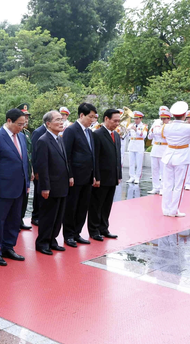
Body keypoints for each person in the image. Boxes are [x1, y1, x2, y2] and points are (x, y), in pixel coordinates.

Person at [0, 108, 30, 266]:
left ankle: (8, 247)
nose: (21, 127)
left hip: (19, 187)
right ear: (9, 121)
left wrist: (27, 184)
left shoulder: (22, 137)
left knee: (14, 220)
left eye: (23, 124)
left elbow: (24, 161)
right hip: (2, 188)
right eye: (19, 124)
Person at [34, 111, 72, 255]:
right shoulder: (43, 140)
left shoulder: (59, 139)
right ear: (48, 124)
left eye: (62, 119)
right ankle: (42, 242)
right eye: (57, 120)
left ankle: (52, 240)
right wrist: (45, 187)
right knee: (48, 216)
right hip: (50, 187)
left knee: (58, 216)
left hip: (61, 185)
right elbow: (42, 166)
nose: (61, 122)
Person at [62, 102, 97, 248]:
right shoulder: (71, 130)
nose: (92, 120)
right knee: (72, 206)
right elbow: (66, 155)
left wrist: (94, 174)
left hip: (88, 176)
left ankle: (77, 233)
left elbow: (92, 155)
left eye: (94, 117)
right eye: (90, 117)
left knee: (83, 207)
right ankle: (68, 235)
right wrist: (69, 174)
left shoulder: (89, 132)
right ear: (81, 115)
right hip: (75, 176)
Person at [89, 109, 122, 240]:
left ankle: (104, 228)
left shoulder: (117, 135)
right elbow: (95, 158)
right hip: (101, 177)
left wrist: (118, 175)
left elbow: (118, 157)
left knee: (107, 204)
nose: (117, 123)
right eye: (115, 121)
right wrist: (96, 176)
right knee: (96, 204)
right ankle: (94, 230)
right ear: (106, 119)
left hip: (112, 176)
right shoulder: (97, 134)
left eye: (119, 121)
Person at [161, 101, 190, 217]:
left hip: (168, 156)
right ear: (184, 115)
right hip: (182, 158)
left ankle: (166, 209)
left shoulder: (166, 127)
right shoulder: (188, 128)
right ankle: (173, 210)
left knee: (167, 184)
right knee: (178, 186)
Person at [17, 103, 33, 231]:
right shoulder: (16, 134)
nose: (26, 119)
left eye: (27, 116)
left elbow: (29, 153)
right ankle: (15, 220)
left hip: (27, 168)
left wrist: (31, 169)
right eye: (24, 116)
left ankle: (21, 218)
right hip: (18, 169)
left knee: (25, 196)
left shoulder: (26, 133)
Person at [148, 107, 170, 195]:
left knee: (163, 171)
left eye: (165, 118)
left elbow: (165, 136)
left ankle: (162, 188)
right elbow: (149, 137)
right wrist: (153, 130)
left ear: (169, 118)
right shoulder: (156, 124)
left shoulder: (169, 126)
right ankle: (155, 187)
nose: (163, 120)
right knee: (154, 170)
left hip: (164, 149)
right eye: (162, 118)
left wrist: (158, 129)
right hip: (155, 148)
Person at [30, 116, 47, 227]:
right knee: (38, 193)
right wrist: (35, 170)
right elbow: (34, 152)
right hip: (39, 170)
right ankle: (35, 216)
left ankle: (43, 216)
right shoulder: (38, 131)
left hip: (48, 170)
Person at [126, 111, 147, 184]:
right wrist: (127, 131)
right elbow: (127, 136)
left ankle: (137, 177)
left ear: (141, 119)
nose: (135, 120)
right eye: (134, 119)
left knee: (139, 162)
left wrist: (136, 130)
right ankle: (131, 176)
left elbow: (144, 135)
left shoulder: (144, 126)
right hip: (132, 144)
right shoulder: (131, 125)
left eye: (137, 119)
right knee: (131, 162)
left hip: (139, 145)